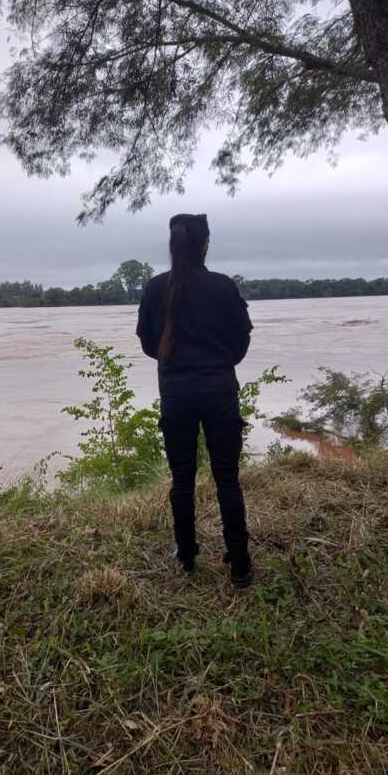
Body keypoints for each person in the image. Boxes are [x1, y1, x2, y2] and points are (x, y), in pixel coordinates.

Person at [136, 214, 253, 587]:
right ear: (204, 244)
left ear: (173, 245)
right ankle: (240, 565)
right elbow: (241, 341)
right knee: (227, 479)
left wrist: (175, 364)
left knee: (182, 479)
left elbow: (147, 343)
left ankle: (186, 554)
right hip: (219, 391)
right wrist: (218, 364)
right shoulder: (222, 287)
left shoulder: (155, 288)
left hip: (176, 395)